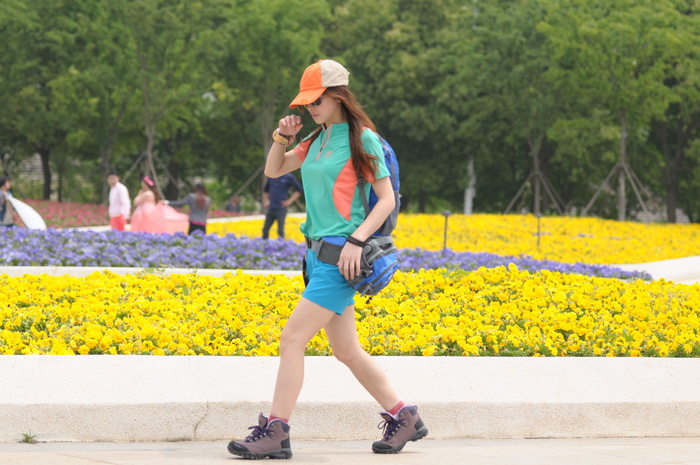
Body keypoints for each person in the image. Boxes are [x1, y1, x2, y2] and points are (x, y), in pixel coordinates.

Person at [227, 59, 428, 460]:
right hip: (316, 257)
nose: (310, 108)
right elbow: (275, 170)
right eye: (305, 103)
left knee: (292, 338)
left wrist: (356, 240)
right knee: (346, 351)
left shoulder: (363, 139)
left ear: (338, 95)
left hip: (343, 259)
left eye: (316, 101)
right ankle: (404, 417)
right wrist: (281, 137)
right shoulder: (315, 140)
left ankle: (276, 431)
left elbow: (386, 199)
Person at [262, 173, 302, 239]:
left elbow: (299, 189)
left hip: (281, 208)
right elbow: (266, 190)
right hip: (271, 207)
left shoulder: (288, 177)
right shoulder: (272, 175)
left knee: (280, 230)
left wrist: (289, 201)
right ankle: (265, 245)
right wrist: (265, 201)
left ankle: (282, 246)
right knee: (265, 229)